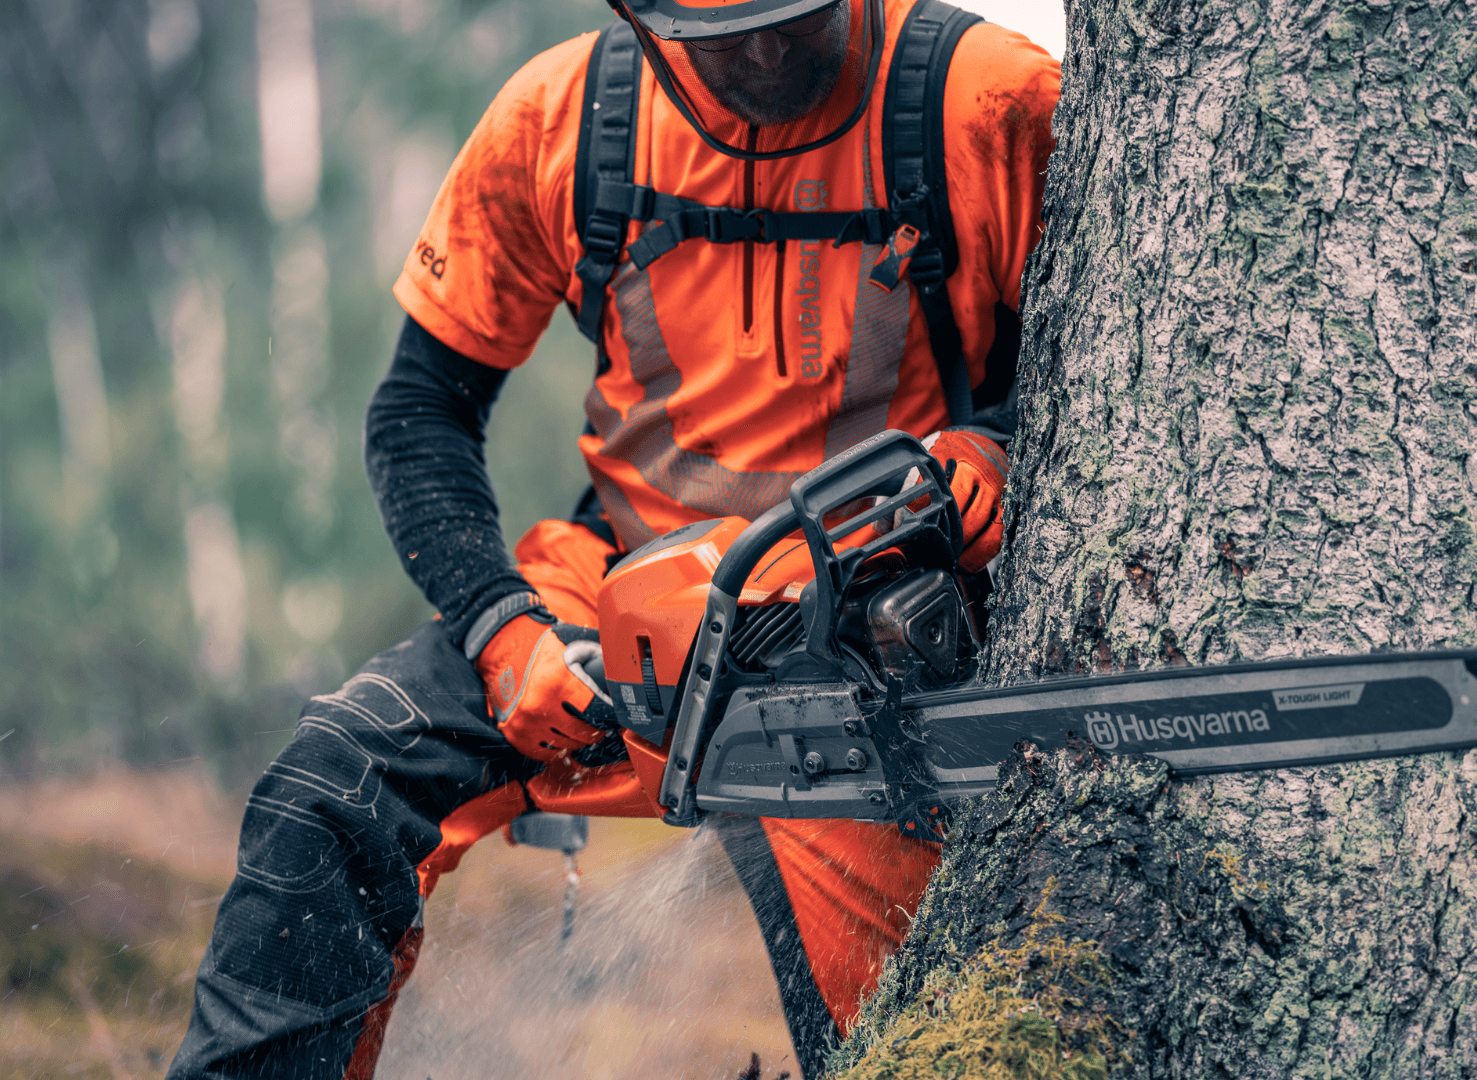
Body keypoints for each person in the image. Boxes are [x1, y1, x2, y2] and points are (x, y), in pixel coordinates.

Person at [165, 0, 1057, 1077]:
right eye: (726, 43)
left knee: (909, 1031)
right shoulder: (565, 119)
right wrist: (504, 629)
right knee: (334, 787)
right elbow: (420, 411)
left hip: (868, 623)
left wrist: (993, 461)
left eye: (795, 25)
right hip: (617, 592)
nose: (767, 55)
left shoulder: (987, 103)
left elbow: (1105, 377)